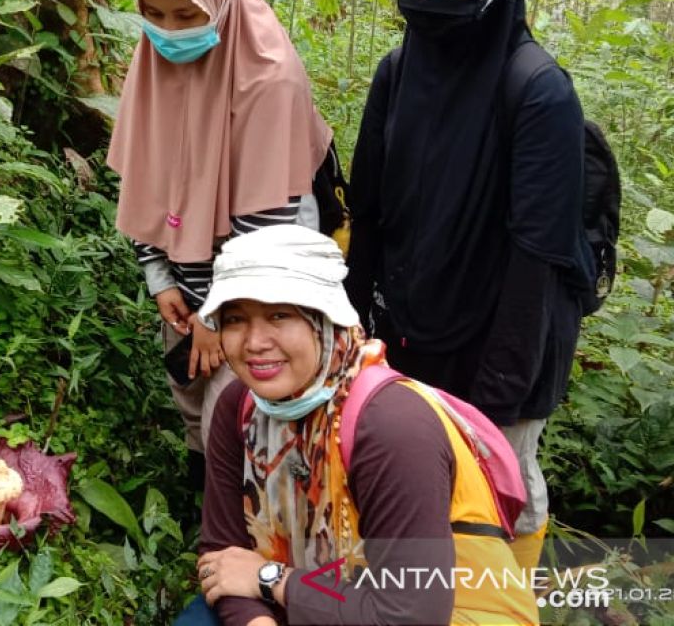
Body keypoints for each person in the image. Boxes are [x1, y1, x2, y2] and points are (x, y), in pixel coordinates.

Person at [345, 0, 593, 570]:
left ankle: (510, 599)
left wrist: (495, 396)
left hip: (507, 336)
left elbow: (535, 257)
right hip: (410, 326)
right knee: (410, 482)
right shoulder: (398, 74)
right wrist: (352, 331)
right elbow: (367, 214)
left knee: (500, 486)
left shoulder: (538, 91)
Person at [180, 225, 538, 626]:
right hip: (305, 599)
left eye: (280, 315)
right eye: (235, 319)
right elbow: (223, 554)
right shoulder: (241, 405)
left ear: (325, 321)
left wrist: (269, 578)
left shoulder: (391, 427)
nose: (254, 342)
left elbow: (409, 616)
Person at [105, 0, 333, 479]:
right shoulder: (152, 62)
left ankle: (247, 535)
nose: (171, 30)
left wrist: (217, 315)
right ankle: (203, 508)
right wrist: (162, 281)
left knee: (236, 415)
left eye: (188, 13)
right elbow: (144, 184)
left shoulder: (269, 76)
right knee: (190, 394)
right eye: (153, 14)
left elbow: (270, 228)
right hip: (185, 285)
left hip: (257, 291)